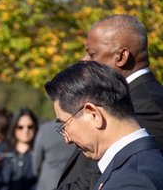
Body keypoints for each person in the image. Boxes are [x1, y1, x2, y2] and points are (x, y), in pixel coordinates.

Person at [57, 14, 163, 190]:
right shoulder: (133, 96)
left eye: (92, 54)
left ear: (121, 56)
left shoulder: (145, 104)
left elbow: (94, 179)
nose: (84, 60)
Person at [45, 61, 163, 190]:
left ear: (93, 114)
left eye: (64, 125)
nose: (67, 139)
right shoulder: (131, 165)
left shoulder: (132, 181)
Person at [0, 106, 39, 190]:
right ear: (14, 127)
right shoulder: (3, 149)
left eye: (30, 127)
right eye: (20, 127)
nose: (25, 130)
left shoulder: (39, 151)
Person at [32, 120, 75, 190]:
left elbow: (36, 164)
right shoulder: (76, 127)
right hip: (73, 181)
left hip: (49, 183)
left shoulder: (44, 129)